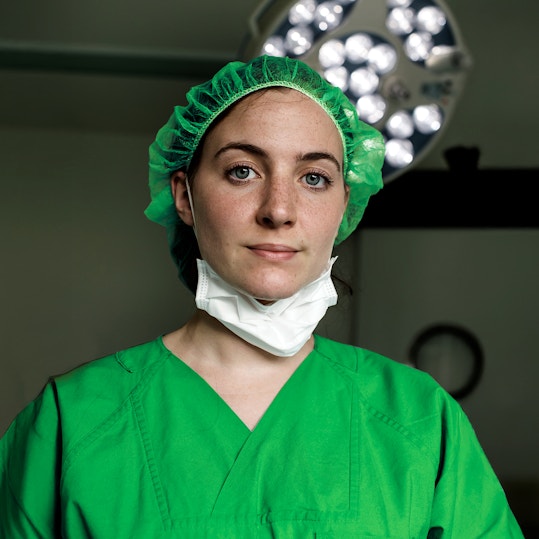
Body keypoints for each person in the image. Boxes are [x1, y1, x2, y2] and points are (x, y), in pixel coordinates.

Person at [0, 55, 523, 538]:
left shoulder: (419, 418)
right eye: (242, 171)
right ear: (184, 196)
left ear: (344, 207)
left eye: (314, 178)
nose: (279, 209)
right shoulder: (74, 421)